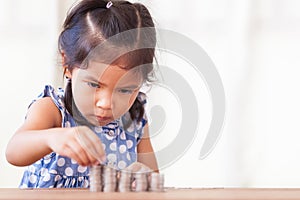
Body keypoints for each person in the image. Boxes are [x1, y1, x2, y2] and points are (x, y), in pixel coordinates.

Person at [5, 0, 158, 188]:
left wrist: (140, 176)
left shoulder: (135, 117)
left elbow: (152, 176)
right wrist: (52, 138)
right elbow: (13, 151)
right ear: (67, 64)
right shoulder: (54, 109)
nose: (106, 103)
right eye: (94, 84)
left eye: (125, 90)